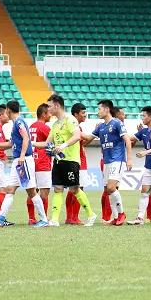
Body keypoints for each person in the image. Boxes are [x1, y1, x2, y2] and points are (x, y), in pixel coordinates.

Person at [0, 100, 49, 228]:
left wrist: (22, 156)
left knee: (31, 191)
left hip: (24, 160)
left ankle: (44, 219)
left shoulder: (19, 122)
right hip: (18, 161)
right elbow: (11, 144)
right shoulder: (15, 124)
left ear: (8, 110)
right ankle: (1, 218)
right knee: (10, 189)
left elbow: (26, 138)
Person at [45, 94, 96, 227]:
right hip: (58, 162)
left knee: (74, 189)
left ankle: (91, 214)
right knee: (57, 189)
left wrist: (62, 146)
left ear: (57, 106)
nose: (48, 109)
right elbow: (47, 143)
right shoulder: (55, 124)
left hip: (70, 161)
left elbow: (77, 136)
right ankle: (54, 220)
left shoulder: (70, 119)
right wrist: (31, 144)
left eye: (50, 106)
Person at [83, 99, 132, 226]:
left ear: (106, 109)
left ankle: (121, 214)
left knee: (111, 187)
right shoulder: (100, 126)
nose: (98, 111)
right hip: (106, 161)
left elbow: (127, 139)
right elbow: (88, 138)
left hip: (117, 160)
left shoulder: (117, 123)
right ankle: (115, 217)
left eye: (99, 109)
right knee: (108, 190)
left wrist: (130, 159)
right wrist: (77, 134)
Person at [27, 103, 52, 225]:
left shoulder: (30, 126)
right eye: (49, 113)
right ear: (43, 114)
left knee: (32, 191)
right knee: (44, 192)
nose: (51, 115)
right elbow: (52, 143)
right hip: (43, 163)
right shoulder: (45, 128)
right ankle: (44, 217)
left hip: (32, 162)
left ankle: (31, 218)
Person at [65, 103, 90, 225]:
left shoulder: (70, 125)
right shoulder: (76, 128)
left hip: (72, 161)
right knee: (79, 189)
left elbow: (82, 143)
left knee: (72, 189)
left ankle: (70, 217)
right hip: (79, 162)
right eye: (83, 112)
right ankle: (74, 217)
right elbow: (87, 138)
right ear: (76, 114)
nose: (85, 115)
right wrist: (98, 132)